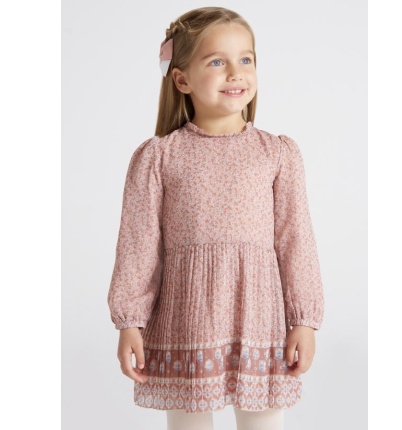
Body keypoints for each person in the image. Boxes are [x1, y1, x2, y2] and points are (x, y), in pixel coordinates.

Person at [107, 6, 325, 430]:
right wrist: (129, 321)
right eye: (216, 62)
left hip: (259, 319)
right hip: (188, 318)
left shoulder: (277, 154)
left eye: (245, 59)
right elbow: (138, 245)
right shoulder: (159, 157)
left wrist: (304, 320)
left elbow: (296, 240)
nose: (236, 73)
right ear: (181, 80)